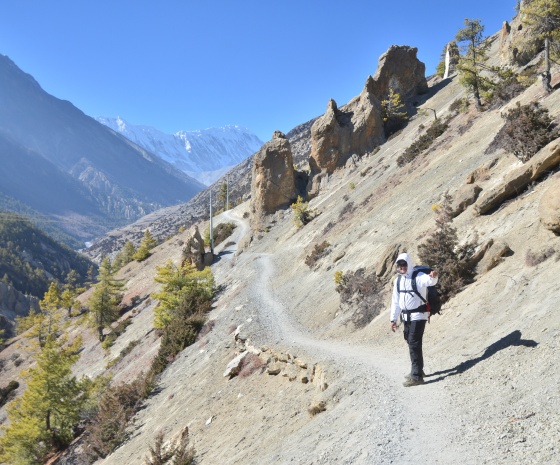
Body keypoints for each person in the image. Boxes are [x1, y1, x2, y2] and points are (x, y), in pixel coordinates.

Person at [390, 252, 438, 387]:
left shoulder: (419, 277)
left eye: (404, 264)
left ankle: (416, 376)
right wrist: (393, 319)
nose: (402, 267)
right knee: (409, 340)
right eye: (399, 265)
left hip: (419, 315)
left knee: (414, 342)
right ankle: (418, 370)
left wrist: (434, 277)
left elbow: (429, 281)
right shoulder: (398, 280)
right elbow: (395, 301)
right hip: (406, 316)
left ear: (408, 264)